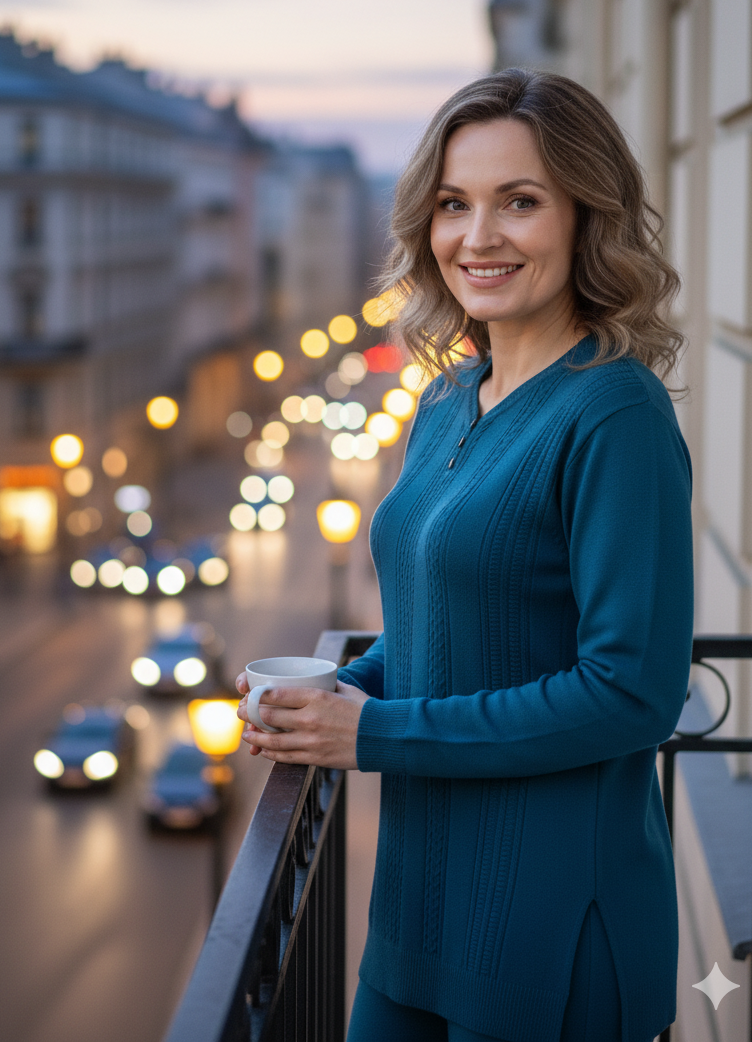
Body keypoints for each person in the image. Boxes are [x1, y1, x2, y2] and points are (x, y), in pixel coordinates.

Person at [237, 69, 694, 1042]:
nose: (476, 238)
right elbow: (442, 628)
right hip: (413, 914)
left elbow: (630, 692)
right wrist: (335, 692)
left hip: (551, 931)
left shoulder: (615, 413)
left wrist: (373, 735)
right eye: (453, 205)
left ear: (585, 217)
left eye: (518, 202)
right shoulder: (446, 398)